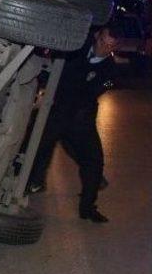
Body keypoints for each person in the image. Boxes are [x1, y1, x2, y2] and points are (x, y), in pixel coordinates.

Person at [28, 24, 117, 222]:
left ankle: (88, 208)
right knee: (38, 145)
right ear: (97, 36)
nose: (104, 48)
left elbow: (92, 91)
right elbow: (49, 69)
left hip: (80, 118)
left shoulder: (110, 70)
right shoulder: (76, 50)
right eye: (103, 41)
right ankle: (32, 182)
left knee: (94, 161)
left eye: (110, 46)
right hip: (55, 110)